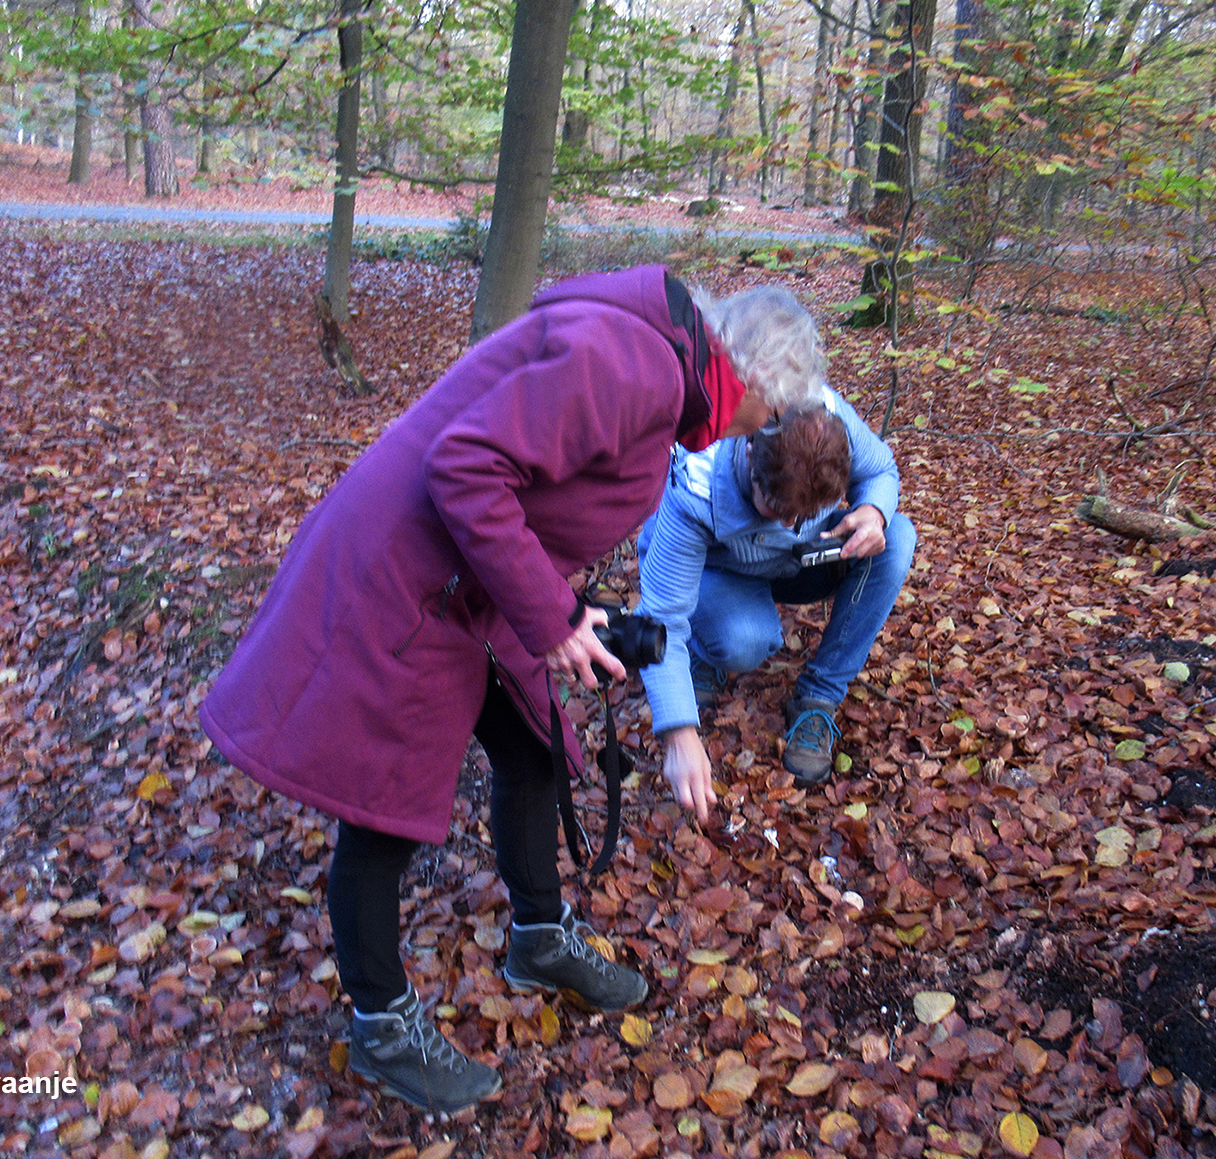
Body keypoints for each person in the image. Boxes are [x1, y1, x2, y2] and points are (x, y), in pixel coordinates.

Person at [197, 266, 826, 1115]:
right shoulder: (635, 365)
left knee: (536, 749)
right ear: (751, 379)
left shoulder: (659, 366)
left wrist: (569, 610)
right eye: (775, 413)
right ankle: (383, 1024)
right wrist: (556, 615)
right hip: (411, 573)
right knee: (383, 807)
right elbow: (466, 465)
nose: (763, 429)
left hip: (478, 580)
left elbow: (532, 483)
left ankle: (538, 938)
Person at [636, 393, 915, 792]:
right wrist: (679, 732)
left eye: (802, 512)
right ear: (750, 454)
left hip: (798, 560)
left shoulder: (827, 418)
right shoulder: (697, 480)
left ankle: (819, 697)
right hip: (715, 567)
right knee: (746, 640)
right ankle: (706, 650)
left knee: (898, 537)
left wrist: (873, 511)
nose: (789, 522)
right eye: (776, 508)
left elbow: (881, 470)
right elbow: (660, 618)